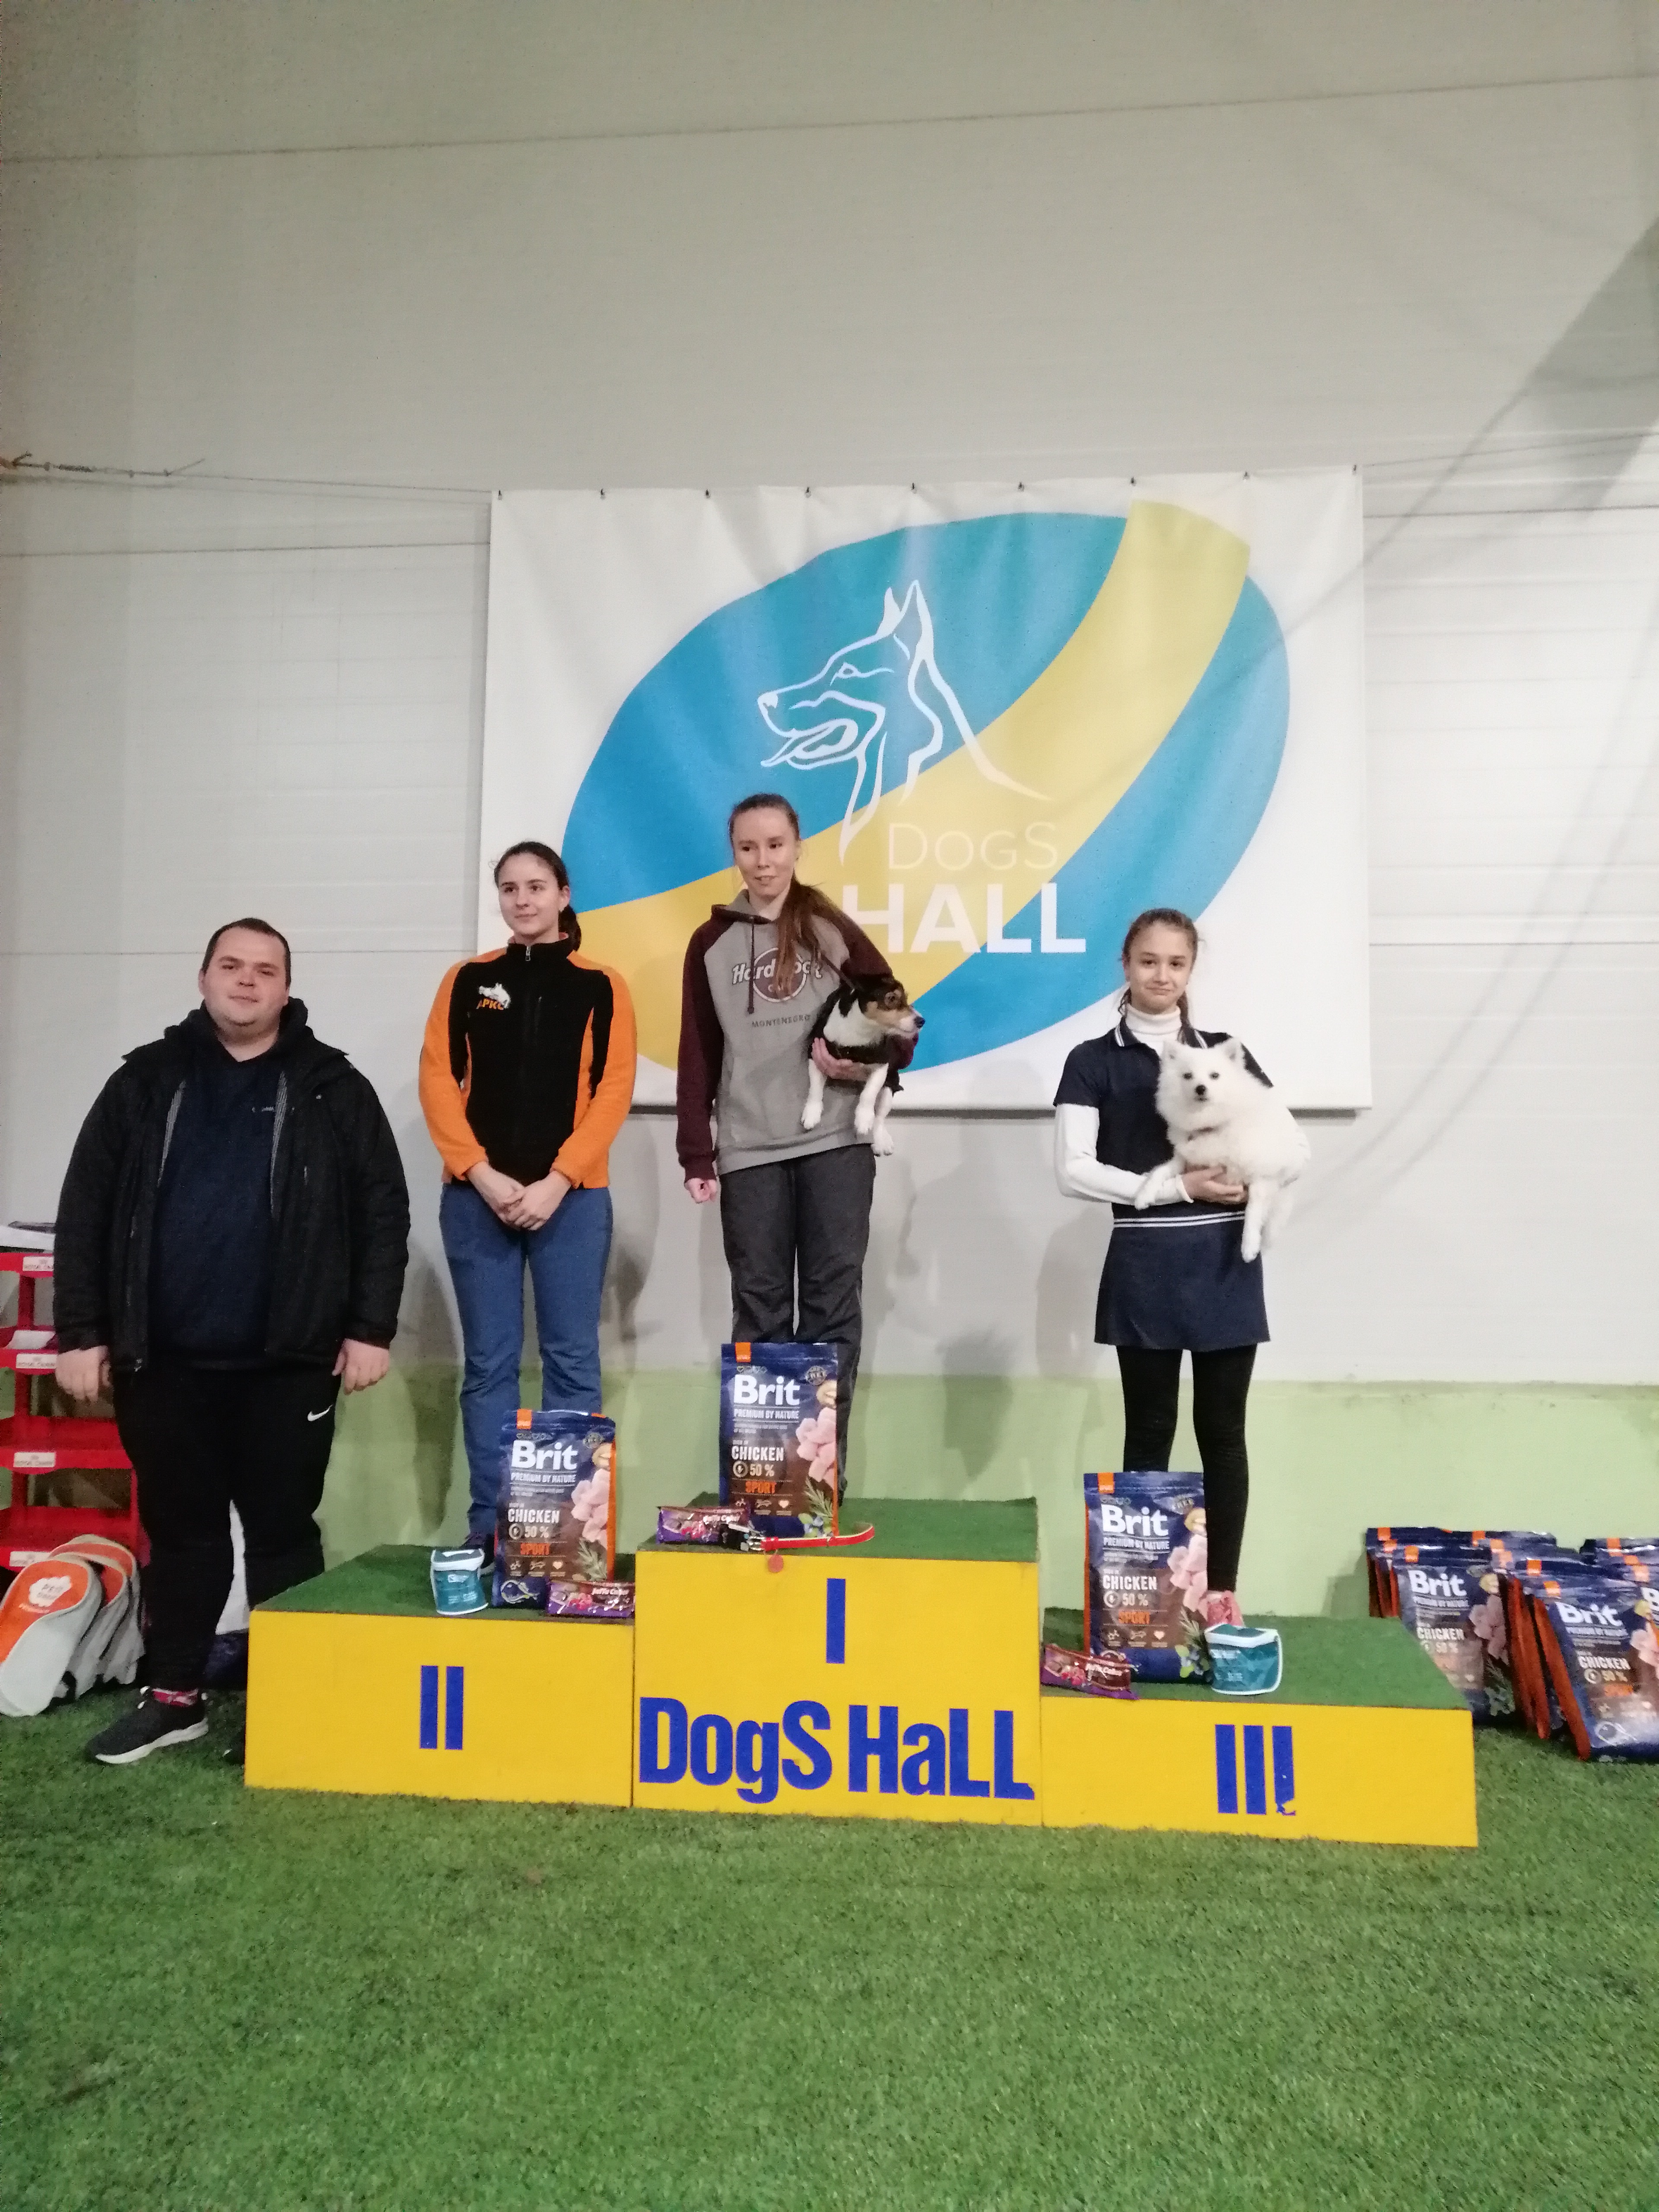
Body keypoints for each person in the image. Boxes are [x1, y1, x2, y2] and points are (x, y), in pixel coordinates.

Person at [55, 919, 410, 1764]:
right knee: (184, 1536)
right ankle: (175, 1697)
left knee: (283, 1534)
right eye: (232, 966)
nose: (247, 981)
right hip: (163, 1360)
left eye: (265, 970)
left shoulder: (333, 1088)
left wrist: (370, 1329)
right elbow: (87, 1207)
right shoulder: (144, 1081)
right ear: (204, 977)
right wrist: (81, 1332)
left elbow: (383, 1210)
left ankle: (288, 1705)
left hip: (290, 1363)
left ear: (287, 989)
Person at [676, 792, 914, 1482]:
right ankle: (764, 1487)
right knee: (759, 1310)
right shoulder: (710, 943)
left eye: (775, 845)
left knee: (832, 1310)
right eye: (748, 847)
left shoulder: (830, 927)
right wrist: (696, 1151)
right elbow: (698, 1049)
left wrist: (871, 1063)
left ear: (798, 847)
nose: (763, 861)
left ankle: (819, 1481)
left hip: (834, 1142)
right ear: (734, 853)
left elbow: (896, 1013)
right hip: (748, 1147)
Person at [1052, 907, 1271, 1627]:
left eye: (1176, 963)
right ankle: (1142, 1602)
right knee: (1148, 1431)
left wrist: (1254, 1179)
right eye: (1149, 961)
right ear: (1125, 964)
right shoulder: (1091, 1060)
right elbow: (1072, 1170)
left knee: (1224, 1434)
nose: (1162, 975)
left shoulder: (1226, 1054)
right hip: (1145, 1261)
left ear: (1191, 969)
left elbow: (1277, 1139)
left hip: (1224, 1263)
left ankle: (1221, 1597)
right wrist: (1177, 1187)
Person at [420, 842, 636, 1552]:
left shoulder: (602, 985)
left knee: (572, 1364)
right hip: (475, 1201)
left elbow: (613, 1090)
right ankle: (491, 1529)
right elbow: (438, 1079)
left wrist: (559, 1179)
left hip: (571, 1201)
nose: (523, 899)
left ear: (563, 895)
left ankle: (567, 1538)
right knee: (490, 1367)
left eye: (536, 886)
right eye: (510, 888)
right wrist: (479, 1173)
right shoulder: (467, 980)